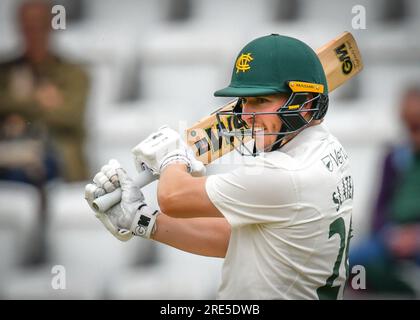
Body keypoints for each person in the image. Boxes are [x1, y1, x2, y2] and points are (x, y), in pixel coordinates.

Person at [85, 34, 354, 299]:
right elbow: (240, 242)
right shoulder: (329, 150)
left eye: (261, 101)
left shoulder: (285, 175)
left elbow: (173, 197)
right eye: (244, 101)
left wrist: (172, 158)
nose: (246, 116)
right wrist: (142, 220)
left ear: (305, 103)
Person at [0, 0, 90, 184]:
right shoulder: (6, 71)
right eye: (27, 26)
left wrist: (18, 109)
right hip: (9, 150)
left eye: (38, 26)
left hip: (56, 156)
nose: (33, 33)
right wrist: (38, 100)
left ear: (50, 26)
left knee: (28, 173)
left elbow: (69, 115)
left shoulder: (72, 73)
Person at [348, 86, 420, 298]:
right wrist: (391, 235)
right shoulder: (395, 157)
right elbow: (379, 207)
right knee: (353, 263)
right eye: (411, 127)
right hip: (392, 236)